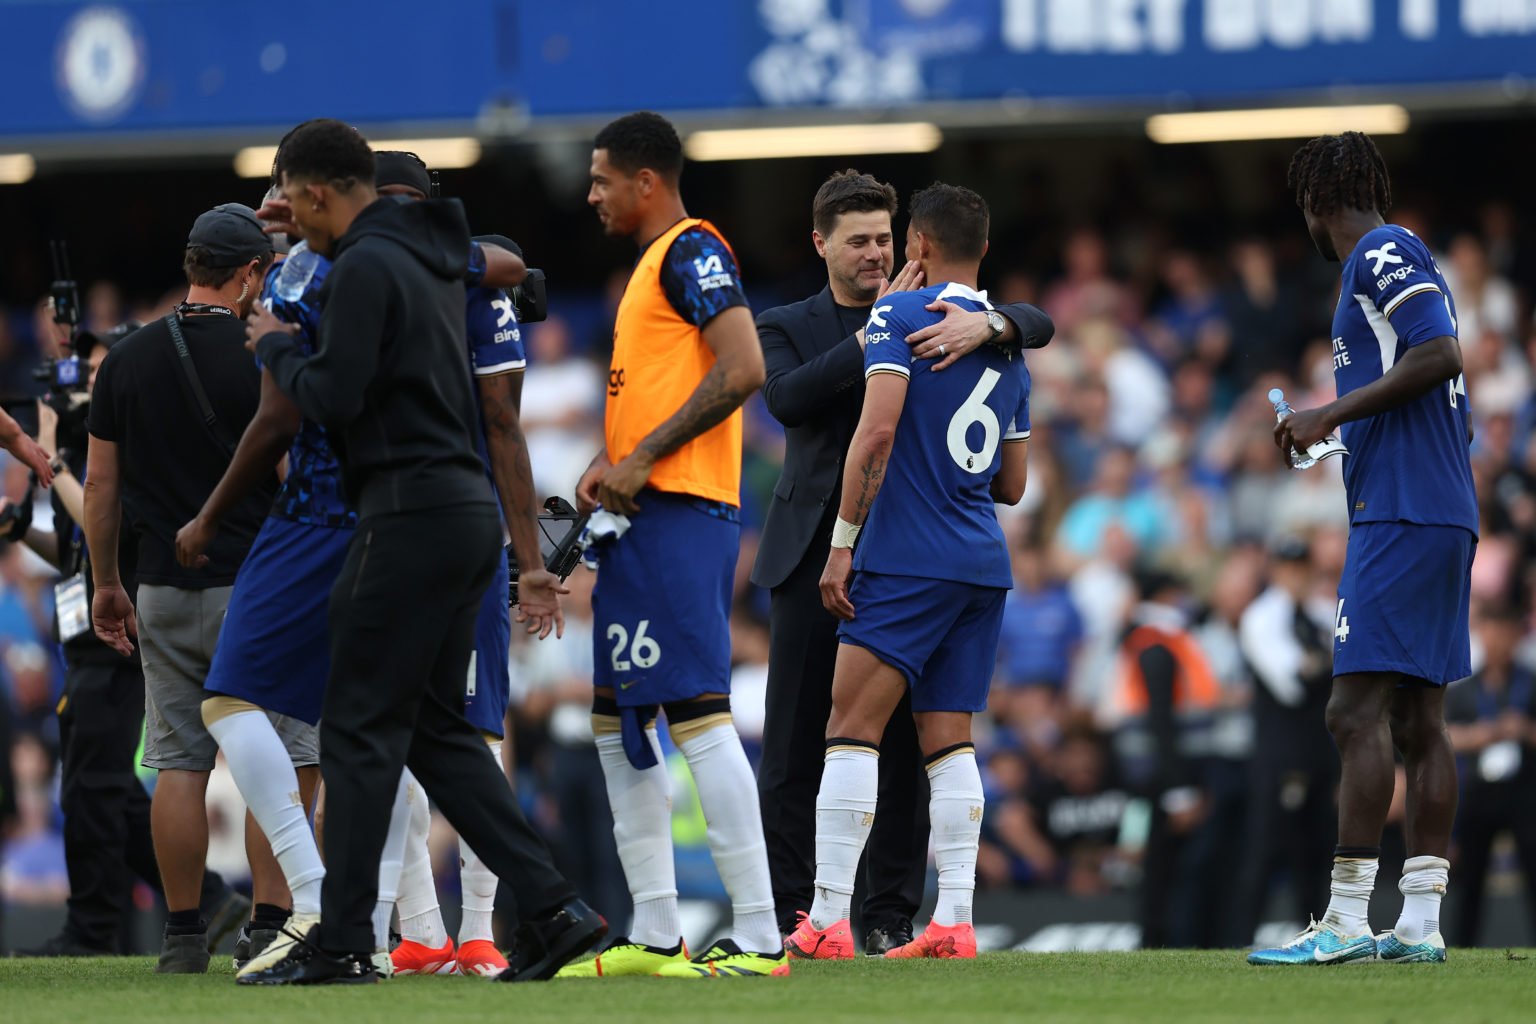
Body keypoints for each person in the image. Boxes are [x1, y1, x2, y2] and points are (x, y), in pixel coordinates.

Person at [240, 119, 600, 986]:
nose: (294, 217)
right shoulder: (433, 253)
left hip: (405, 511)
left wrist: (276, 345)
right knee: (436, 732)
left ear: (320, 193)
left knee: (359, 726)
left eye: (297, 200)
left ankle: (343, 941)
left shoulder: (364, 265)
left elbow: (334, 392)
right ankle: (555, 911)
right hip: (464, 512)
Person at [751, 169, 1053, 953]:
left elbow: (880, 434)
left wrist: (990, 324)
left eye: (884, 238)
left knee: (868, 738)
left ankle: (867, 917)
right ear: (821, 244)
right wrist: (896, 329)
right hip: (912, 553)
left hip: (892, 553)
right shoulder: (793, 323)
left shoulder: (964, 324)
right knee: (809, 744)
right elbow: (784, 399)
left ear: (912, 241)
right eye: (858, 241)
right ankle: (830, 911)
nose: (874, 253)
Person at [565, 110, 783, 980]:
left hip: (680, 512)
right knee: (615, 725)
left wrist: (646, 457)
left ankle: (762, 936)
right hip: (641, 512)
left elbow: (745, 366)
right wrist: (611, 457)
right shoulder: (652, 269)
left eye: (601, 178)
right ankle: (655, 929)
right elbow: (672, 385)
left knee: (697, 715)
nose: (590, 194)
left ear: (645, 181)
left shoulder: (692, 251)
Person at [1250, 131, 1475, 966]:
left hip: (1404, 515)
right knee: (1420, 717)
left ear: (1317, 200)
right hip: (1436, 505)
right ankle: (1419, 921)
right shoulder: (1389, 261)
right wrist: (1336, 438)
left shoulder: (1380, 249)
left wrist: (1328, 415)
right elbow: (1434, 389)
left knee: (1354, 712)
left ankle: (1345, 917)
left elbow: (1442, 352)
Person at [362, 151, 567, 980]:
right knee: (425, 734)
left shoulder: (423, 282)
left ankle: (464, 929)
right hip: (443, 527)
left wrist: (527, 559)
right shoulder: (453, 279)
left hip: (431, 528)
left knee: (455, 734)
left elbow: (505, 427)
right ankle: (426, 931)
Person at [83, 204, 295, 973]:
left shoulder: (128, 360)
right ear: (248, 275)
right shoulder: (270, 354)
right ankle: (271, 924)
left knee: (179, 763)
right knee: (286, 755)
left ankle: (180, 936)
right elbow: (291, 476)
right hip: (260, 588)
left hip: (161, 589)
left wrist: (109, 583)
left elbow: (99, 484)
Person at [9, 326, 247, 958]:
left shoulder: (129, 437)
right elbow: (75, 552)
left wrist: (51, 453)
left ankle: (118, 924)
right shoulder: (96, 452)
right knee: (93, 788)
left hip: (121, 632)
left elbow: (99, 522)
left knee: (105, 785)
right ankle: (173, 910)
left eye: (91, 370)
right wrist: (18, 527)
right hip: (88, 630)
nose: (84, 383)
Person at [1233, 537, 1337, 944]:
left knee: (1317, 848)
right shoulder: (1261, 616)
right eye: (1288, 567)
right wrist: (1324, 663)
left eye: (1302, 567)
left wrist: (1319, 664)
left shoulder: (1320, 611)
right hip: (1279, 751)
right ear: (1276, 570)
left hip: (1319, 748)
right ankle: (1241, 937)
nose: (1296, 576)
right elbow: (1290, 682)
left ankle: (1316, 937)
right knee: (1265, 847)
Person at [1444, 604, 1536, 946]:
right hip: (1478, 792)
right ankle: (1462, 946)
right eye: (1491, 631)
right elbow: (1446, 735)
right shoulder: (1465, 689)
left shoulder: (1530, 683)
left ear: (1517, 636)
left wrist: (1524, 730)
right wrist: (1481, 735)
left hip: (1525, 792)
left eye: (1505, 632)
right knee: (1470, 881)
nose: (1498, 641)